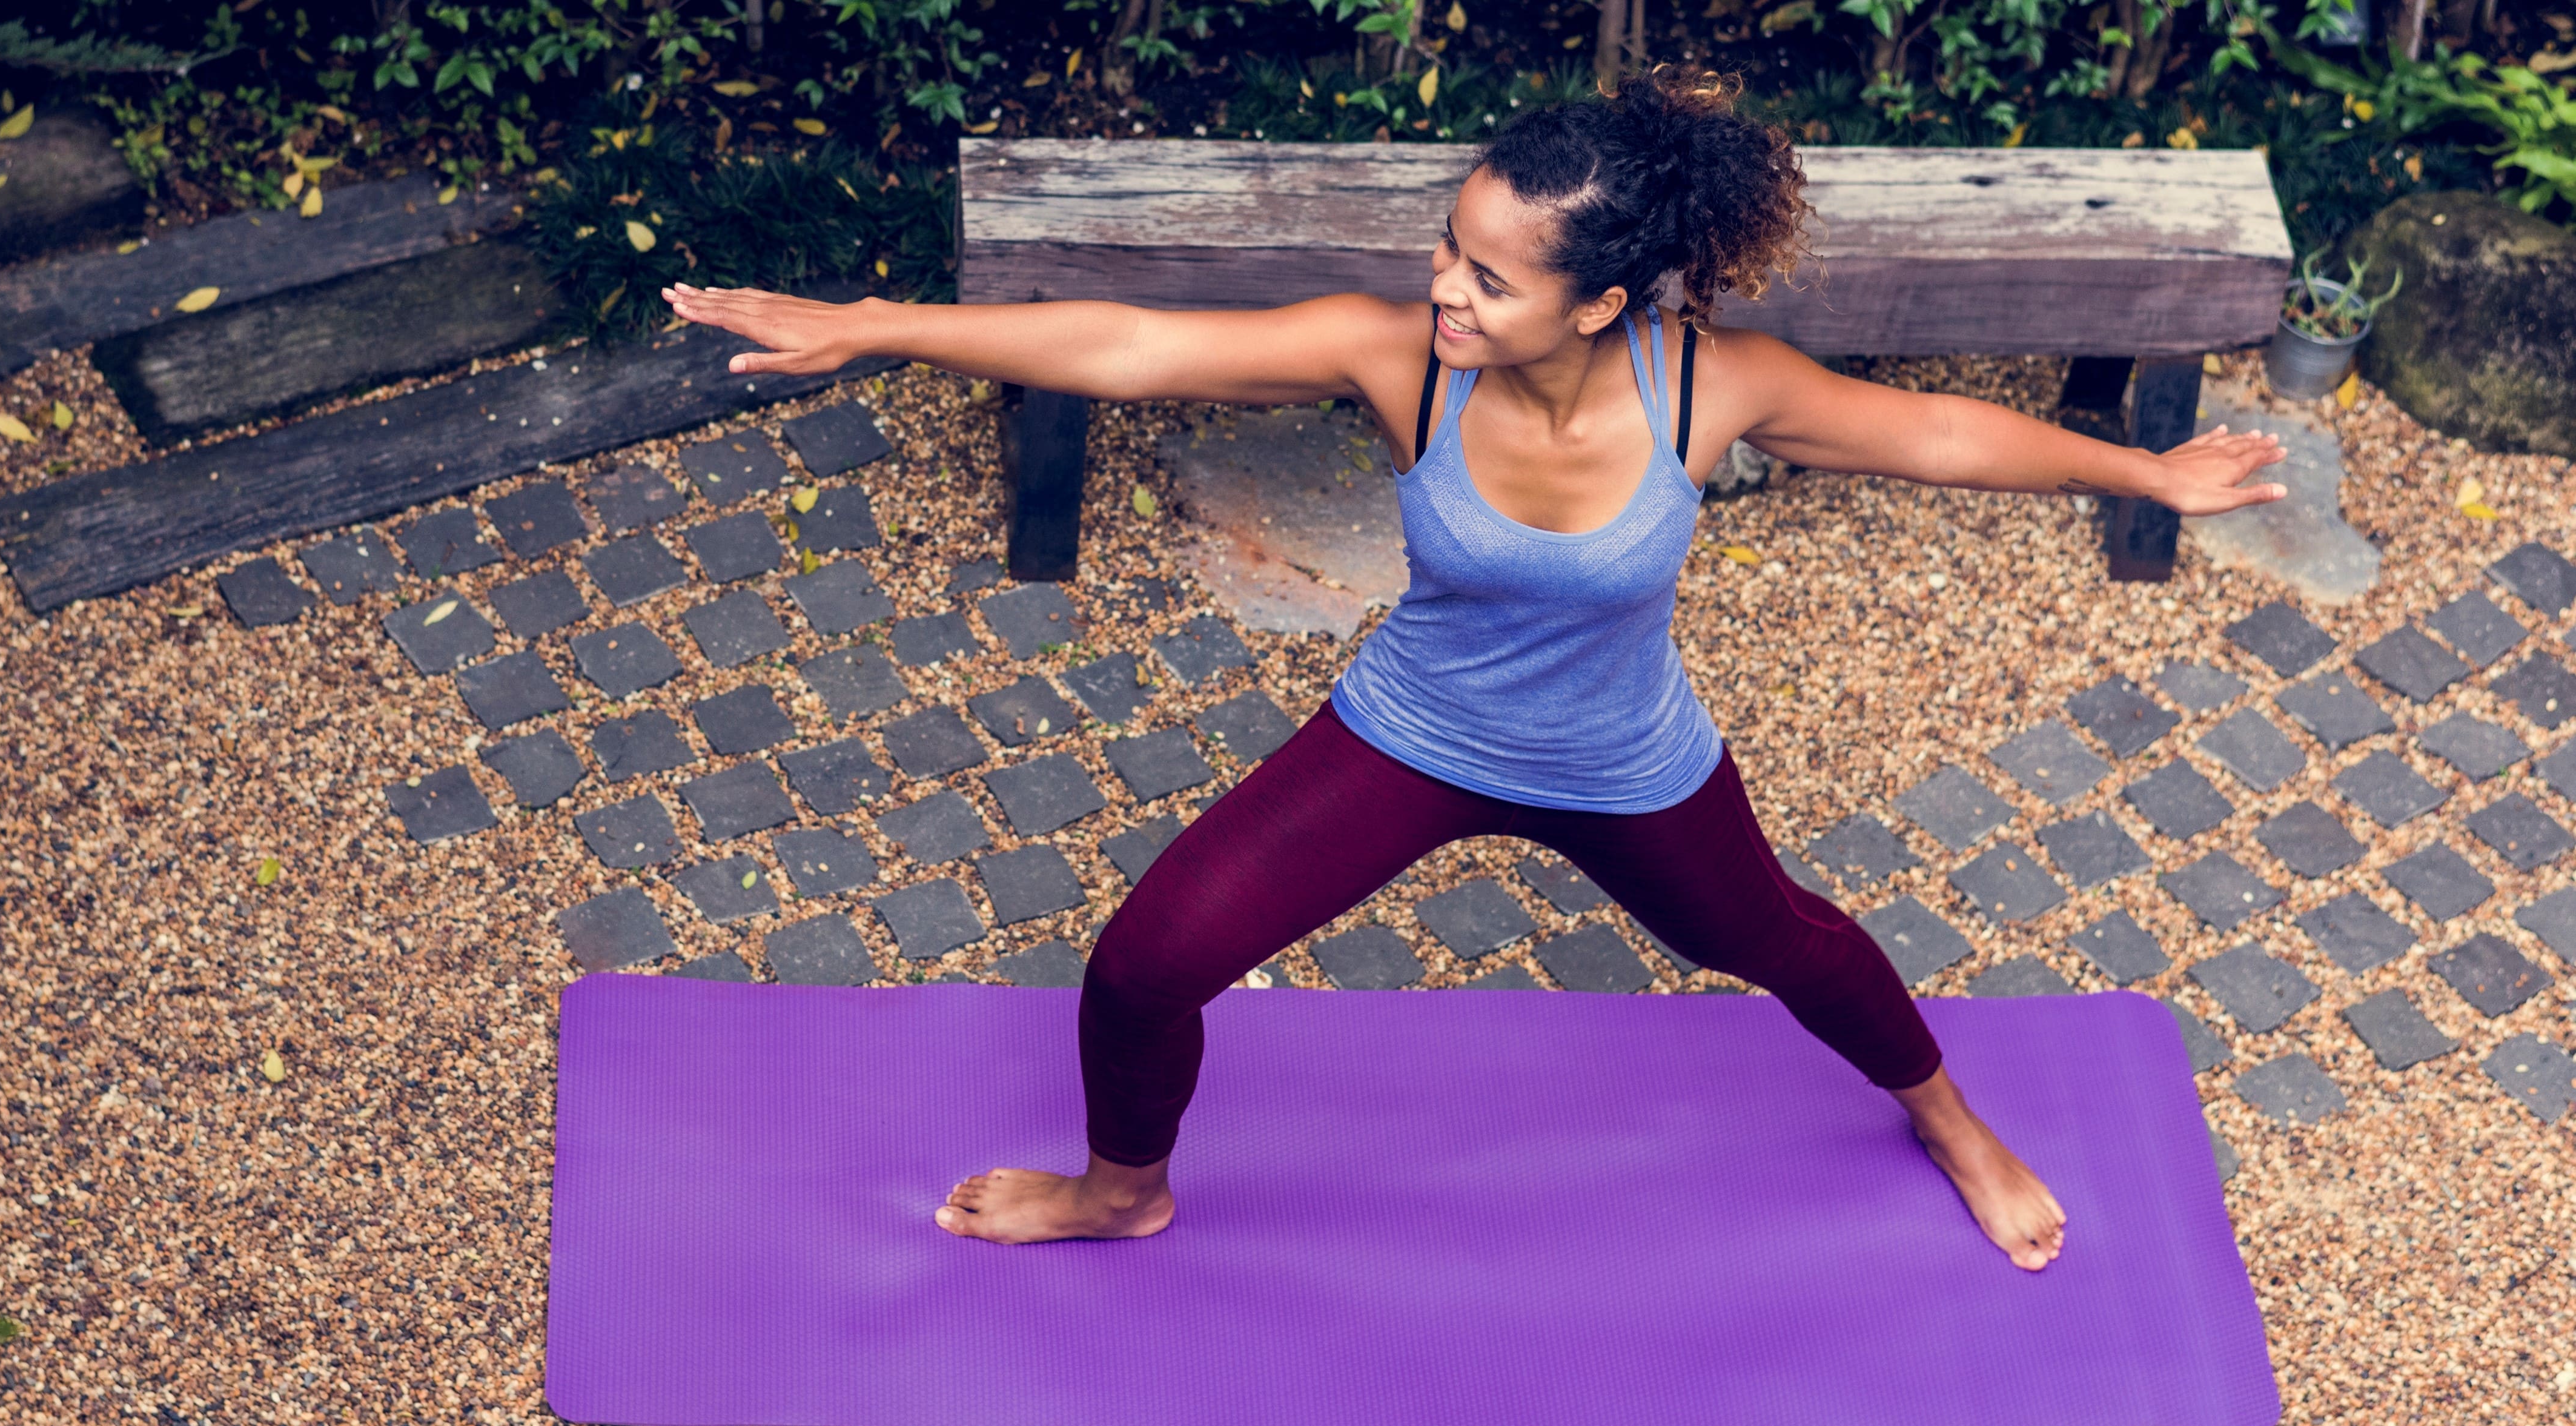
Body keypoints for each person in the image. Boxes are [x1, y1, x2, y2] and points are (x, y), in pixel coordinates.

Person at [663, 67, 2286, 1272]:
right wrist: (873, 319)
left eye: (1489, 276)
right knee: (1142, 966)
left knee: (1780, 939)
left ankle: (1943, 1110)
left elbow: (1933, 434)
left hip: (1621, 761)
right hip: (1414, 731)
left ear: (1596, 299)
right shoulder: (1399, 360)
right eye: (1448, 249)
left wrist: (2145, 479)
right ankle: (1121, 1186)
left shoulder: (1713, 390)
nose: (1444, 285)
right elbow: (1128, 349)